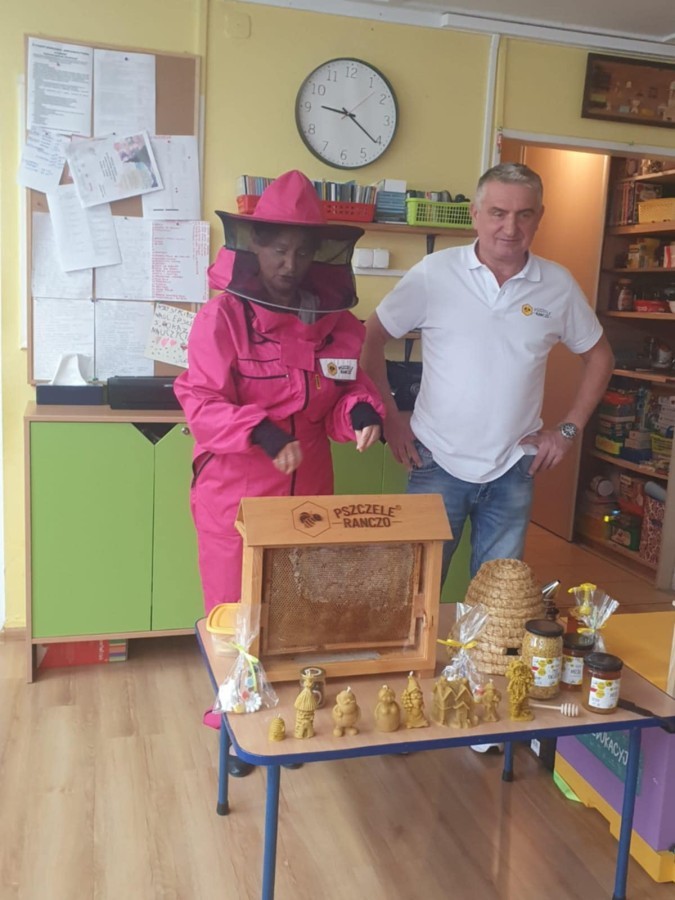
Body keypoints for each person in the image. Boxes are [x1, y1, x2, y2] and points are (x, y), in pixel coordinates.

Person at [175, 170, 384, 774]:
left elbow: (345, 391)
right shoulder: (222, 318)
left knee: (295, 609)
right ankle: (236, 728)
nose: (289, 264)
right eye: (278, 250)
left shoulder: (338, 323)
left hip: (308, 488)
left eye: (302, 252)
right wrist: (262, 432)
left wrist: (361, 413)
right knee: (233, 615)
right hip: (235, 493)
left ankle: (285, 722)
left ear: (319, 254)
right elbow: (201, 402)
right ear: (254, 247)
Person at [361, 162, 614, 584]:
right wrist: (389, 416)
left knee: (499, 602)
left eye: (523, 214)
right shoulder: (435, 273)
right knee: (413, 593)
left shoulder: (557, 284)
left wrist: (568, 430)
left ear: (539, 217)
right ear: (476, 215)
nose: (510, 228)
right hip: (434, 461)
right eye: (498, 213)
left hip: (513, 469)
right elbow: (369, 339)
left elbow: (601, 357)